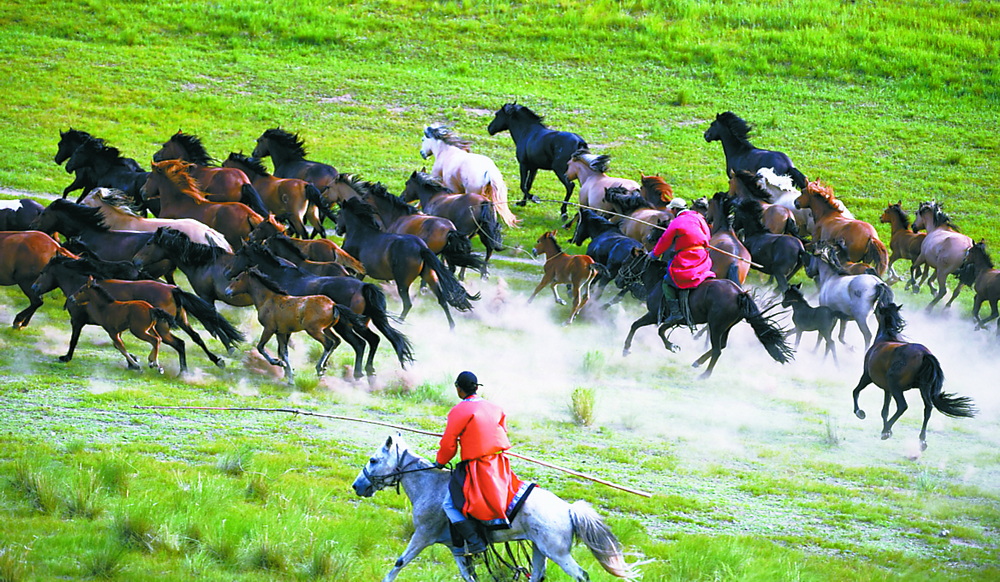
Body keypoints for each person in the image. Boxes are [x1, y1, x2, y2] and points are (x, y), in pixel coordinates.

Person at [435, 371, 523, 556]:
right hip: (499, 464)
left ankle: (475, 542)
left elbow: (448, 444)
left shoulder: (459, 411)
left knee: (450, 505)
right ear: (476, 387)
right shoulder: (496, 408)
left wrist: (440, 462)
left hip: (477, 467)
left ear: (459, 389)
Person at [648, 197, 715, 326]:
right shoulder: (699, 217)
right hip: (703, 256)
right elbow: (707, 236)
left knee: (668, 280)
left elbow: (664, 240)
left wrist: (654, 255)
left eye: (671, 209)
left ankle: (675, 312)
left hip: (688, 257)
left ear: (674, 210)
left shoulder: (677, 222)